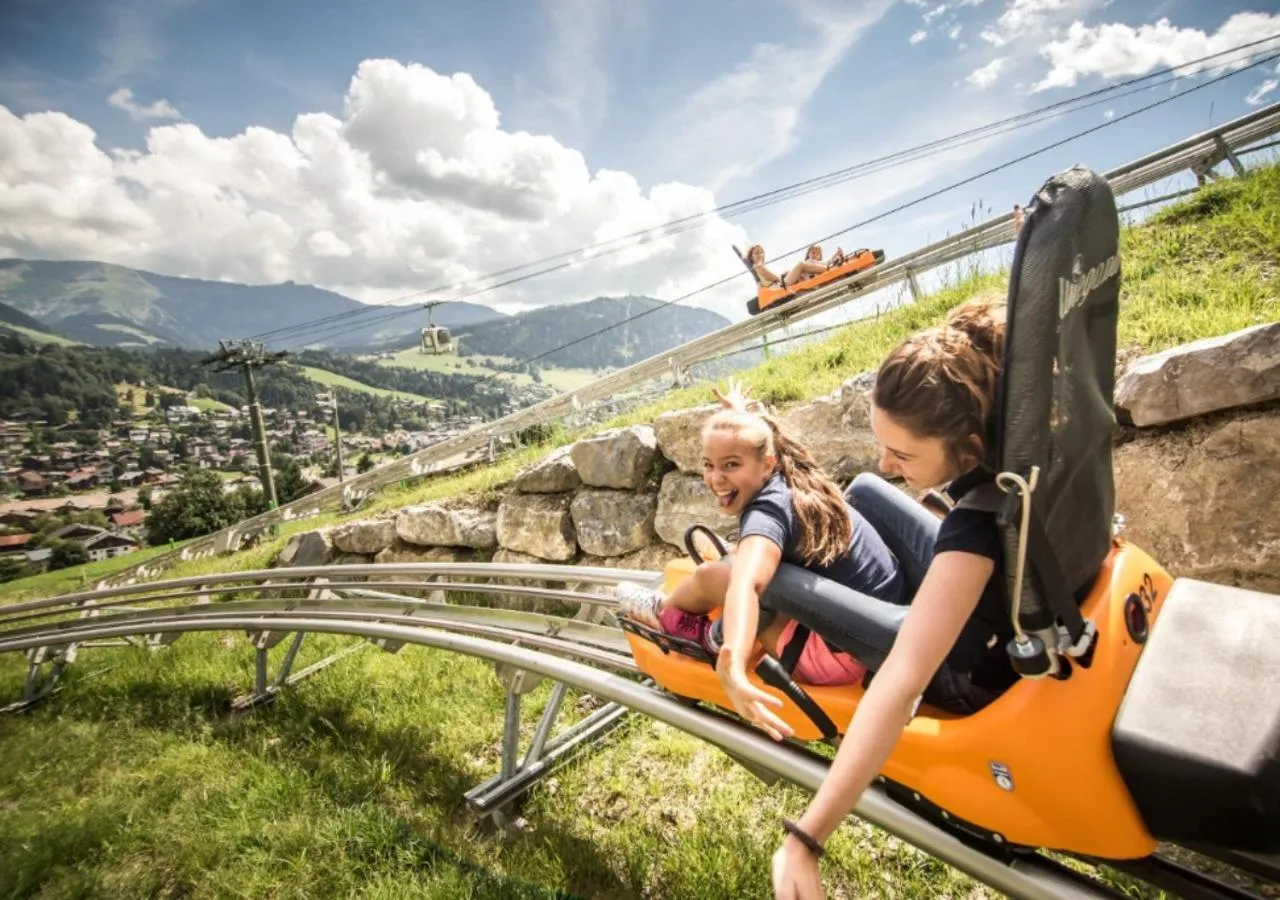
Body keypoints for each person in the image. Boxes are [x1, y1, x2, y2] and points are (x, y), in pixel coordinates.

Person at [766, 297, 1019, 899]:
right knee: (862, 489)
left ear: (970, 448)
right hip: (981, 598)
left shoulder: (975, 524)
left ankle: (742, 618)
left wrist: (805, 838)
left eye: (903, 454)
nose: (887, 462)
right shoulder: (1020, 445)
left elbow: (903, 682)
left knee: (774, 579)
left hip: (959, 667)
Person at [616, 379, 906, 720]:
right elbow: (762, 439)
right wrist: (739, 415)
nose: (716, 478)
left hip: (840, 659)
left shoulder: (767, 513)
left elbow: (747, 586)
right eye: (709, 464)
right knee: (741, 565)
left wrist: (734, 662)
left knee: (713, 575)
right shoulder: (794, 474)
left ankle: (671, 616)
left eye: (731, 465)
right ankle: (724, 571)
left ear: (766, 463)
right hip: (875, 628)